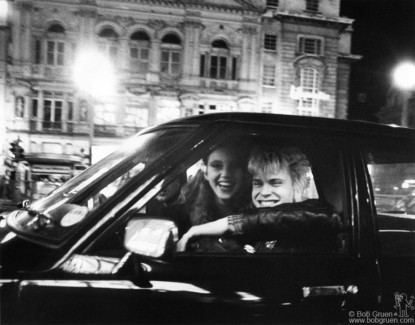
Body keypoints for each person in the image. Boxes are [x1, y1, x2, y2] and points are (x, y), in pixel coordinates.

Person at [177, 146, 343, 253]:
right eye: (258, 183)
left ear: (297, 185)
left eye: (275, 183)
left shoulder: (315, 222)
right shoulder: (254, 228)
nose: (264, 192)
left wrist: (230, 223)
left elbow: (329, 217)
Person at [178, 139, 251, 251]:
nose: (226, 174)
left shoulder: (256, 210)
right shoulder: (185, 214)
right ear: (206, 172)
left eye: (234, 165)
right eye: (216, 165)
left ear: (244, 172)